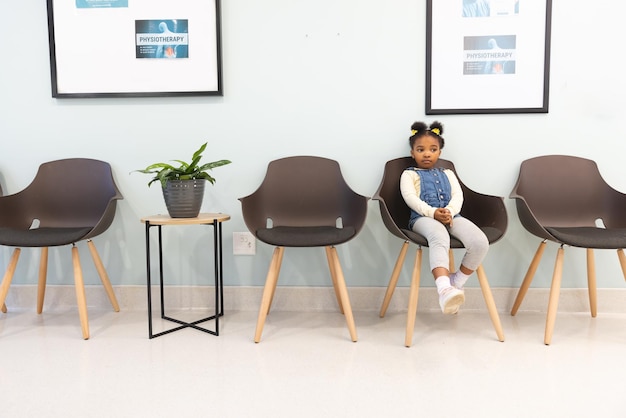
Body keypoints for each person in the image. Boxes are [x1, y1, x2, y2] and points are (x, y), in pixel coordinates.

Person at [400, 121, 489, 314]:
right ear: (412, 152)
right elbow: (410, 198)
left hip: (451, 215)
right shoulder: (409, 174)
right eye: (420, 149)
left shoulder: (448, 173)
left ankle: (456, 282)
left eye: (433, 149)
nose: (426, 153)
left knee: (480, 241)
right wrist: (433, 213)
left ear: (439, 152)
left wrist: (448, 211)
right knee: (439, 235)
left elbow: (458, 195)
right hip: (422, 219)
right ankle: (443, 288)